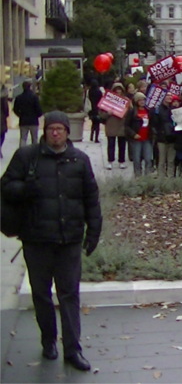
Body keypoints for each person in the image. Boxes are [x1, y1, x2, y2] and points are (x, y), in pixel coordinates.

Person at [0, 111, 102, 371]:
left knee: (69, 295)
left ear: (67, 132)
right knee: (41, 294)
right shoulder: (27, 157)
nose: (55, 133)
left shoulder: (79, 160)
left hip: (69, 240)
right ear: (45, 132)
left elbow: (91, 198)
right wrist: (25, 189)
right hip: (37, 239)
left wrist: (93, 231)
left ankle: (73, 349)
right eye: (51, 129)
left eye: (60, 129)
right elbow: (6, 187)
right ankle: (48, 340)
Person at [99, 82, 129, 170]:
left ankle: (121, 161)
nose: (118, 91)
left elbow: (130, 112)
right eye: (116, 90)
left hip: (122, 125)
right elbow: (101, 114)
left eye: (120, 89)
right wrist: (108, 113)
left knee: (122, 145)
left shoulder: (126, 100)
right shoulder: (107, 100)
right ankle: (110, 161)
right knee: (111, 145)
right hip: (111, 125)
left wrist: (125, 113)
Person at [124, 92, 154, 177]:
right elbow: (126, 126)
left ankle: (147, 176)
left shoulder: (148, 111)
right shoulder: (132, 111)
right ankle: (138, 176)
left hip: (147, 138)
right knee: (137, 160)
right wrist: (133, 134)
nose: (142, 102)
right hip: (136, 139)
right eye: (140, 100)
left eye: (143, 100)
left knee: (148, 159)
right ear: (136, 101)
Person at [150, 94, 177, 178]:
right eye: (167, 96)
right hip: (162, 138)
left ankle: (170, 177)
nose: (169, 97)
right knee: (161, 160)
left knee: (171, 160)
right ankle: (161, 177)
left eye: (170, 96)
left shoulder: (173, 109)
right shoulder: (157, 110)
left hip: (172, 137)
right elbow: (154, 123)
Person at [14, 80, 44, 148]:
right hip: (33, 120)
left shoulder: (19, 97)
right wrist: (38, 115)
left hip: (23, 120)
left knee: (23, 138)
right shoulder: (34, 97)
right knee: (34, 139)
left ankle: (22, 151)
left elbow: (15, 109)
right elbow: (38, 108)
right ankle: (34, 151)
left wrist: (20, 115)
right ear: (30, 87)